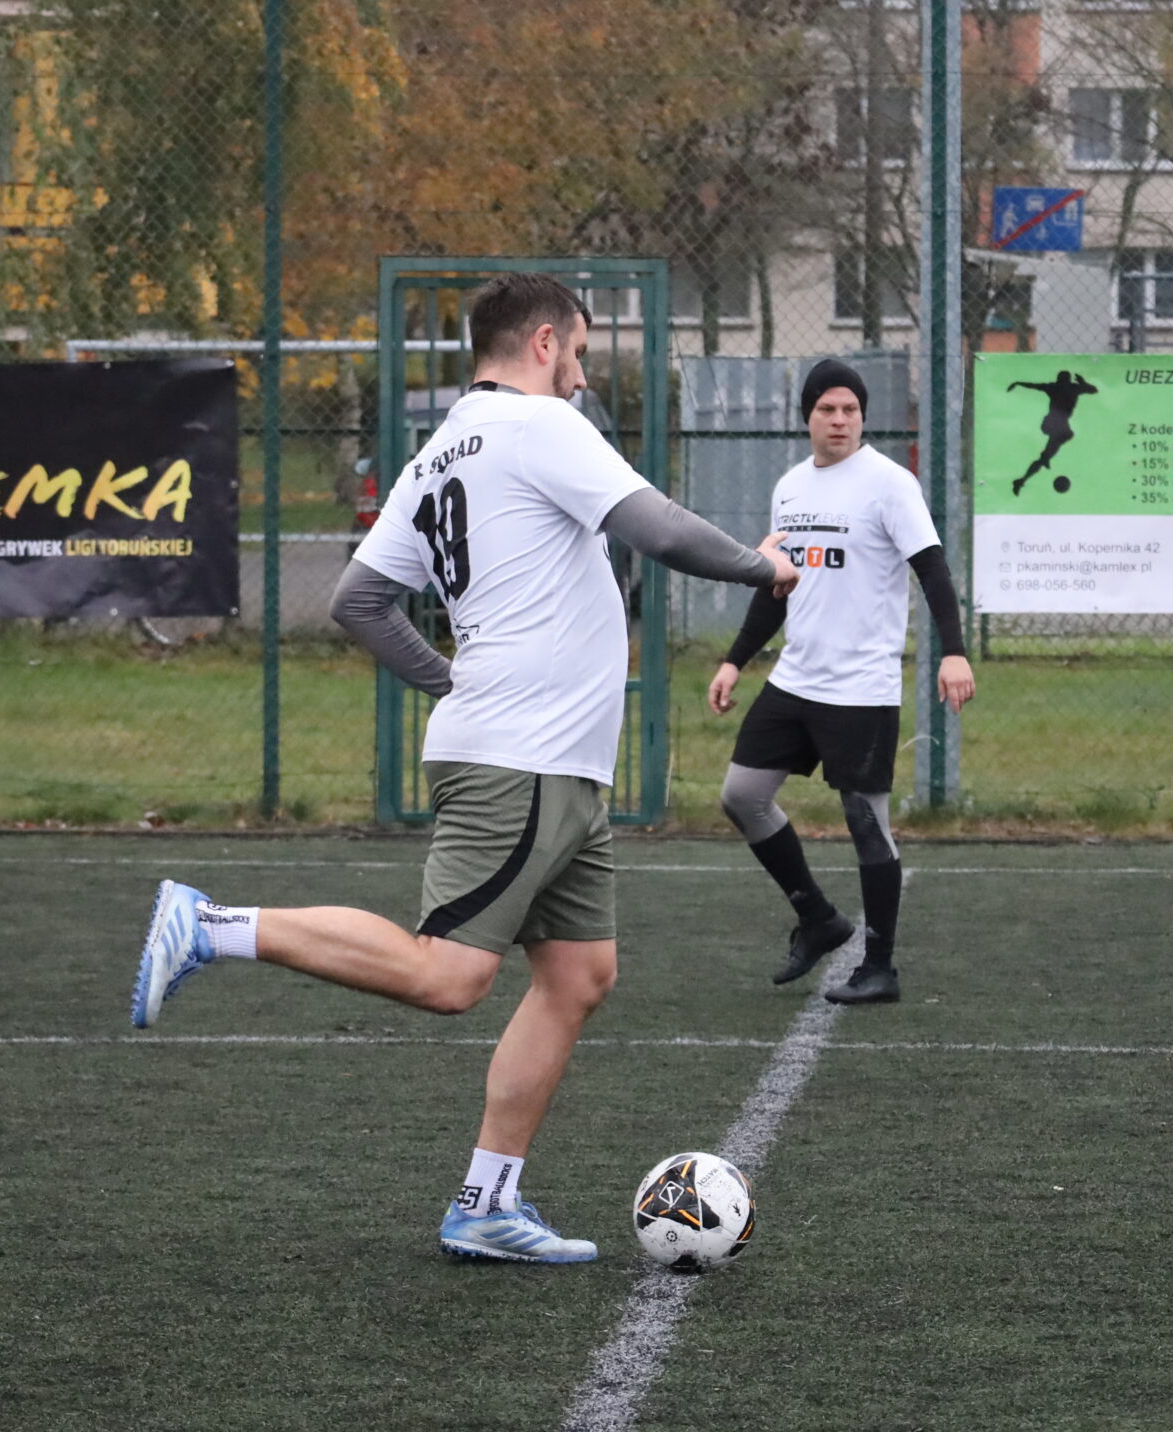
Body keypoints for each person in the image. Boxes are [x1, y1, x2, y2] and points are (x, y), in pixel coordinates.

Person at [131, 272, 799, 1264]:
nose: (582, 375)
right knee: (448, 974)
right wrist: (760, 565)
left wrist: (453, 683)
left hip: (541, 756)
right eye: (578, 352)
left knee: (578, 976)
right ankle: (211, 925)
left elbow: (359, 601)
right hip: (521, 757)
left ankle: (487, 1204)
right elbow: (656, 527)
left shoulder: (443, 445)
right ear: (543, 342)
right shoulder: (541, 425)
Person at [708, 358, 974, 1005]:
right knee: (742, 795)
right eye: (827, 409)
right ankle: (819, 917)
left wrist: (954, 652)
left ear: (862, 417)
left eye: (850, 409)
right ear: (808, 416)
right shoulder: (790, 488)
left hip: (861, 687)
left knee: (865, 821)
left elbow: (933, 570)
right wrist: (735, 660)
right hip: (796, 678)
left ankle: (879, 966)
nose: (839, 419)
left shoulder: (889, 484)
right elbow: (777, 586)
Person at [1008, 369, 1099, 495]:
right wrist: (1083, 383)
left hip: (1053, 422)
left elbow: (1034, 386)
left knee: (1050, 450)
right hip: (1056, 423)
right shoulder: (1071, 388)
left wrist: (1018, 383)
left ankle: (1025, 477)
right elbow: (1093, 390)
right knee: (1065, 436)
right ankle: (1043, 459)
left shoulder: (1058, 387)